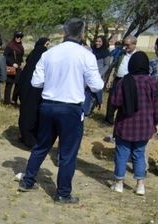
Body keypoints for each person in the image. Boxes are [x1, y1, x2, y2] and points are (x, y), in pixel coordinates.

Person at [18, 18, 104, 204]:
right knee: (67, 153)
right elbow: (97, 85)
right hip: (71, 108)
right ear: (81, 34)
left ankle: (27, 181)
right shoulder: (85, 55)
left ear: (64, 32)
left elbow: (36, 82)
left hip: (48, 106)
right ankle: (63, 193)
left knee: (41, 146)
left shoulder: (49, 54)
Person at [110, 52, 158, 196]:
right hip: (144, 126)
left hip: (124, 124)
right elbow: (157, 106)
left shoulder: (124, 81)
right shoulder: (153, 82)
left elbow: (115, 102)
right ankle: (140, 186)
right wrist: (156, 122)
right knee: (139, 154)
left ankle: (119, 184)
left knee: (121, 154)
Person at [16, 38, 50, 149]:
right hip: (37, 91)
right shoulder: (44, 57)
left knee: (25, 113)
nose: (47, 47)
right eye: (47, 44)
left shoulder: (31, 57)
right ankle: (31, 138)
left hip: (26, 90)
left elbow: (22, 78)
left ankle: (24, 135)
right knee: (34, 115)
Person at [105, 35, 137, 125]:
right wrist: (109, 80)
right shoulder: (121, 54)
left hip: (130, 81)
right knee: (112, 98)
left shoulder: (138, 55)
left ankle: (124, 120)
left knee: (126, 100)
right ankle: (109, 119)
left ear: (134, 44)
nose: (125, 47)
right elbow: (115, 67)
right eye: (124, 44)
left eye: (127, 45)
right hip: (118, 79)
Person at [83, 35, 111, 116]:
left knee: (97, 92)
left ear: (103, 42)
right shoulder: (92, 50)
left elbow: (107, 65)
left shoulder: (106, 53)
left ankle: (98, 103)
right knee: (89, 91)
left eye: (99, 41)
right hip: (90, 73)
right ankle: (87, 109)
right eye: (96, 41)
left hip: (99, 74)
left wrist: (99, 74)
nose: (97, 43)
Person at [3, 31, 24, 105]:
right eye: (17, 36)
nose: (19, 38)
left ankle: (14, 100)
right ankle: (7, 101)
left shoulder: (21, 46)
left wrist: (21, 63)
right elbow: (5, 56)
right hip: (11, 68)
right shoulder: (10, 45)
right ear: (14, 37)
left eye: (20, 37)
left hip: (19, 68)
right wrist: (12, 63)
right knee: (9, 85)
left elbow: (21, 56)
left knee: (18, 84)